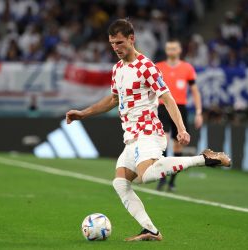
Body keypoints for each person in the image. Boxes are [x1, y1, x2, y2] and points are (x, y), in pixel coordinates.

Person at [66, 19, 230, 242]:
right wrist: (83, 114)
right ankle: (150, 230)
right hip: (130, 136)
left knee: (146, 175)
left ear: (131, 39)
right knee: (120, 183)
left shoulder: (147, 66)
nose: (115, 47)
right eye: (112, 43)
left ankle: (204, 158)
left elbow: (168, 98)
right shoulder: (117, 69)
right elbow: (114, 99)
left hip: (148, 131)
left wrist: (181, 128)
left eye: (120, 42)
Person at [156, 39, 203, 192]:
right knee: (163, 140)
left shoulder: (187, 68)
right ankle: (162, 177)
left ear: (179, 50)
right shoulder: (158, 67)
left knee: (178, 143)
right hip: (162, 107)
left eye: (174, 48)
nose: (171, 50)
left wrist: (198, 112)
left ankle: (172, 181)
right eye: (169, 48)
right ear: (166, 50)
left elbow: (195, 91)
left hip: (180, 108)